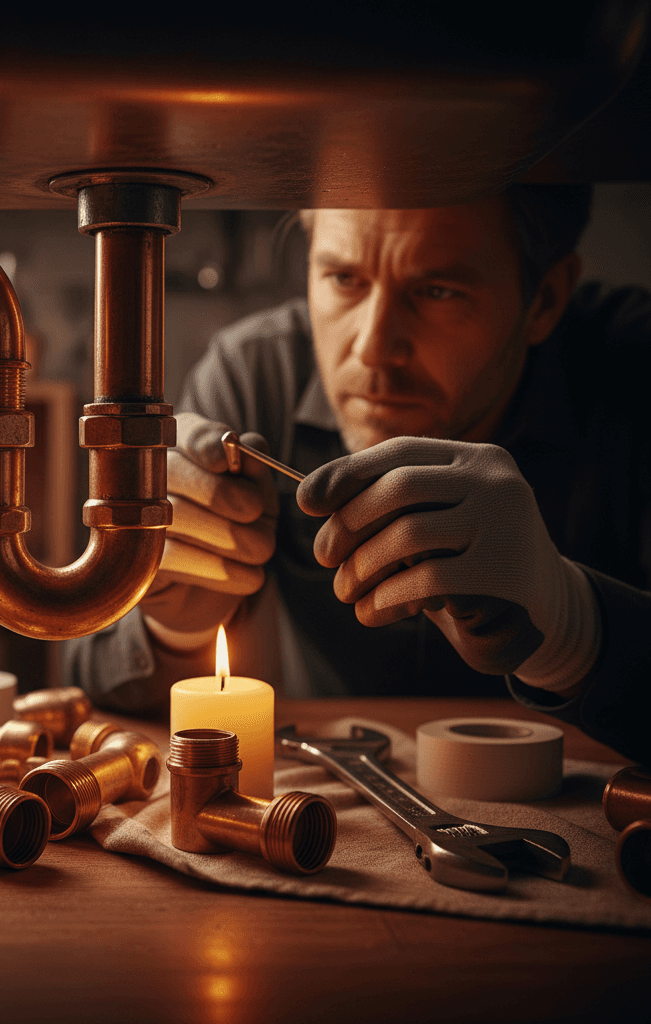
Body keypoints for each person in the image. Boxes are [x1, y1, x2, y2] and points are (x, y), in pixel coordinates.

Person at [64, 185, 651, 765]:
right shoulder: (254, 375)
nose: (373, 348)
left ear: (544, 299)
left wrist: (574, 626)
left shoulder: (634, 373)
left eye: (436, 290)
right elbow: (83, 685)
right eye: (344, 280)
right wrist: (171, 623)